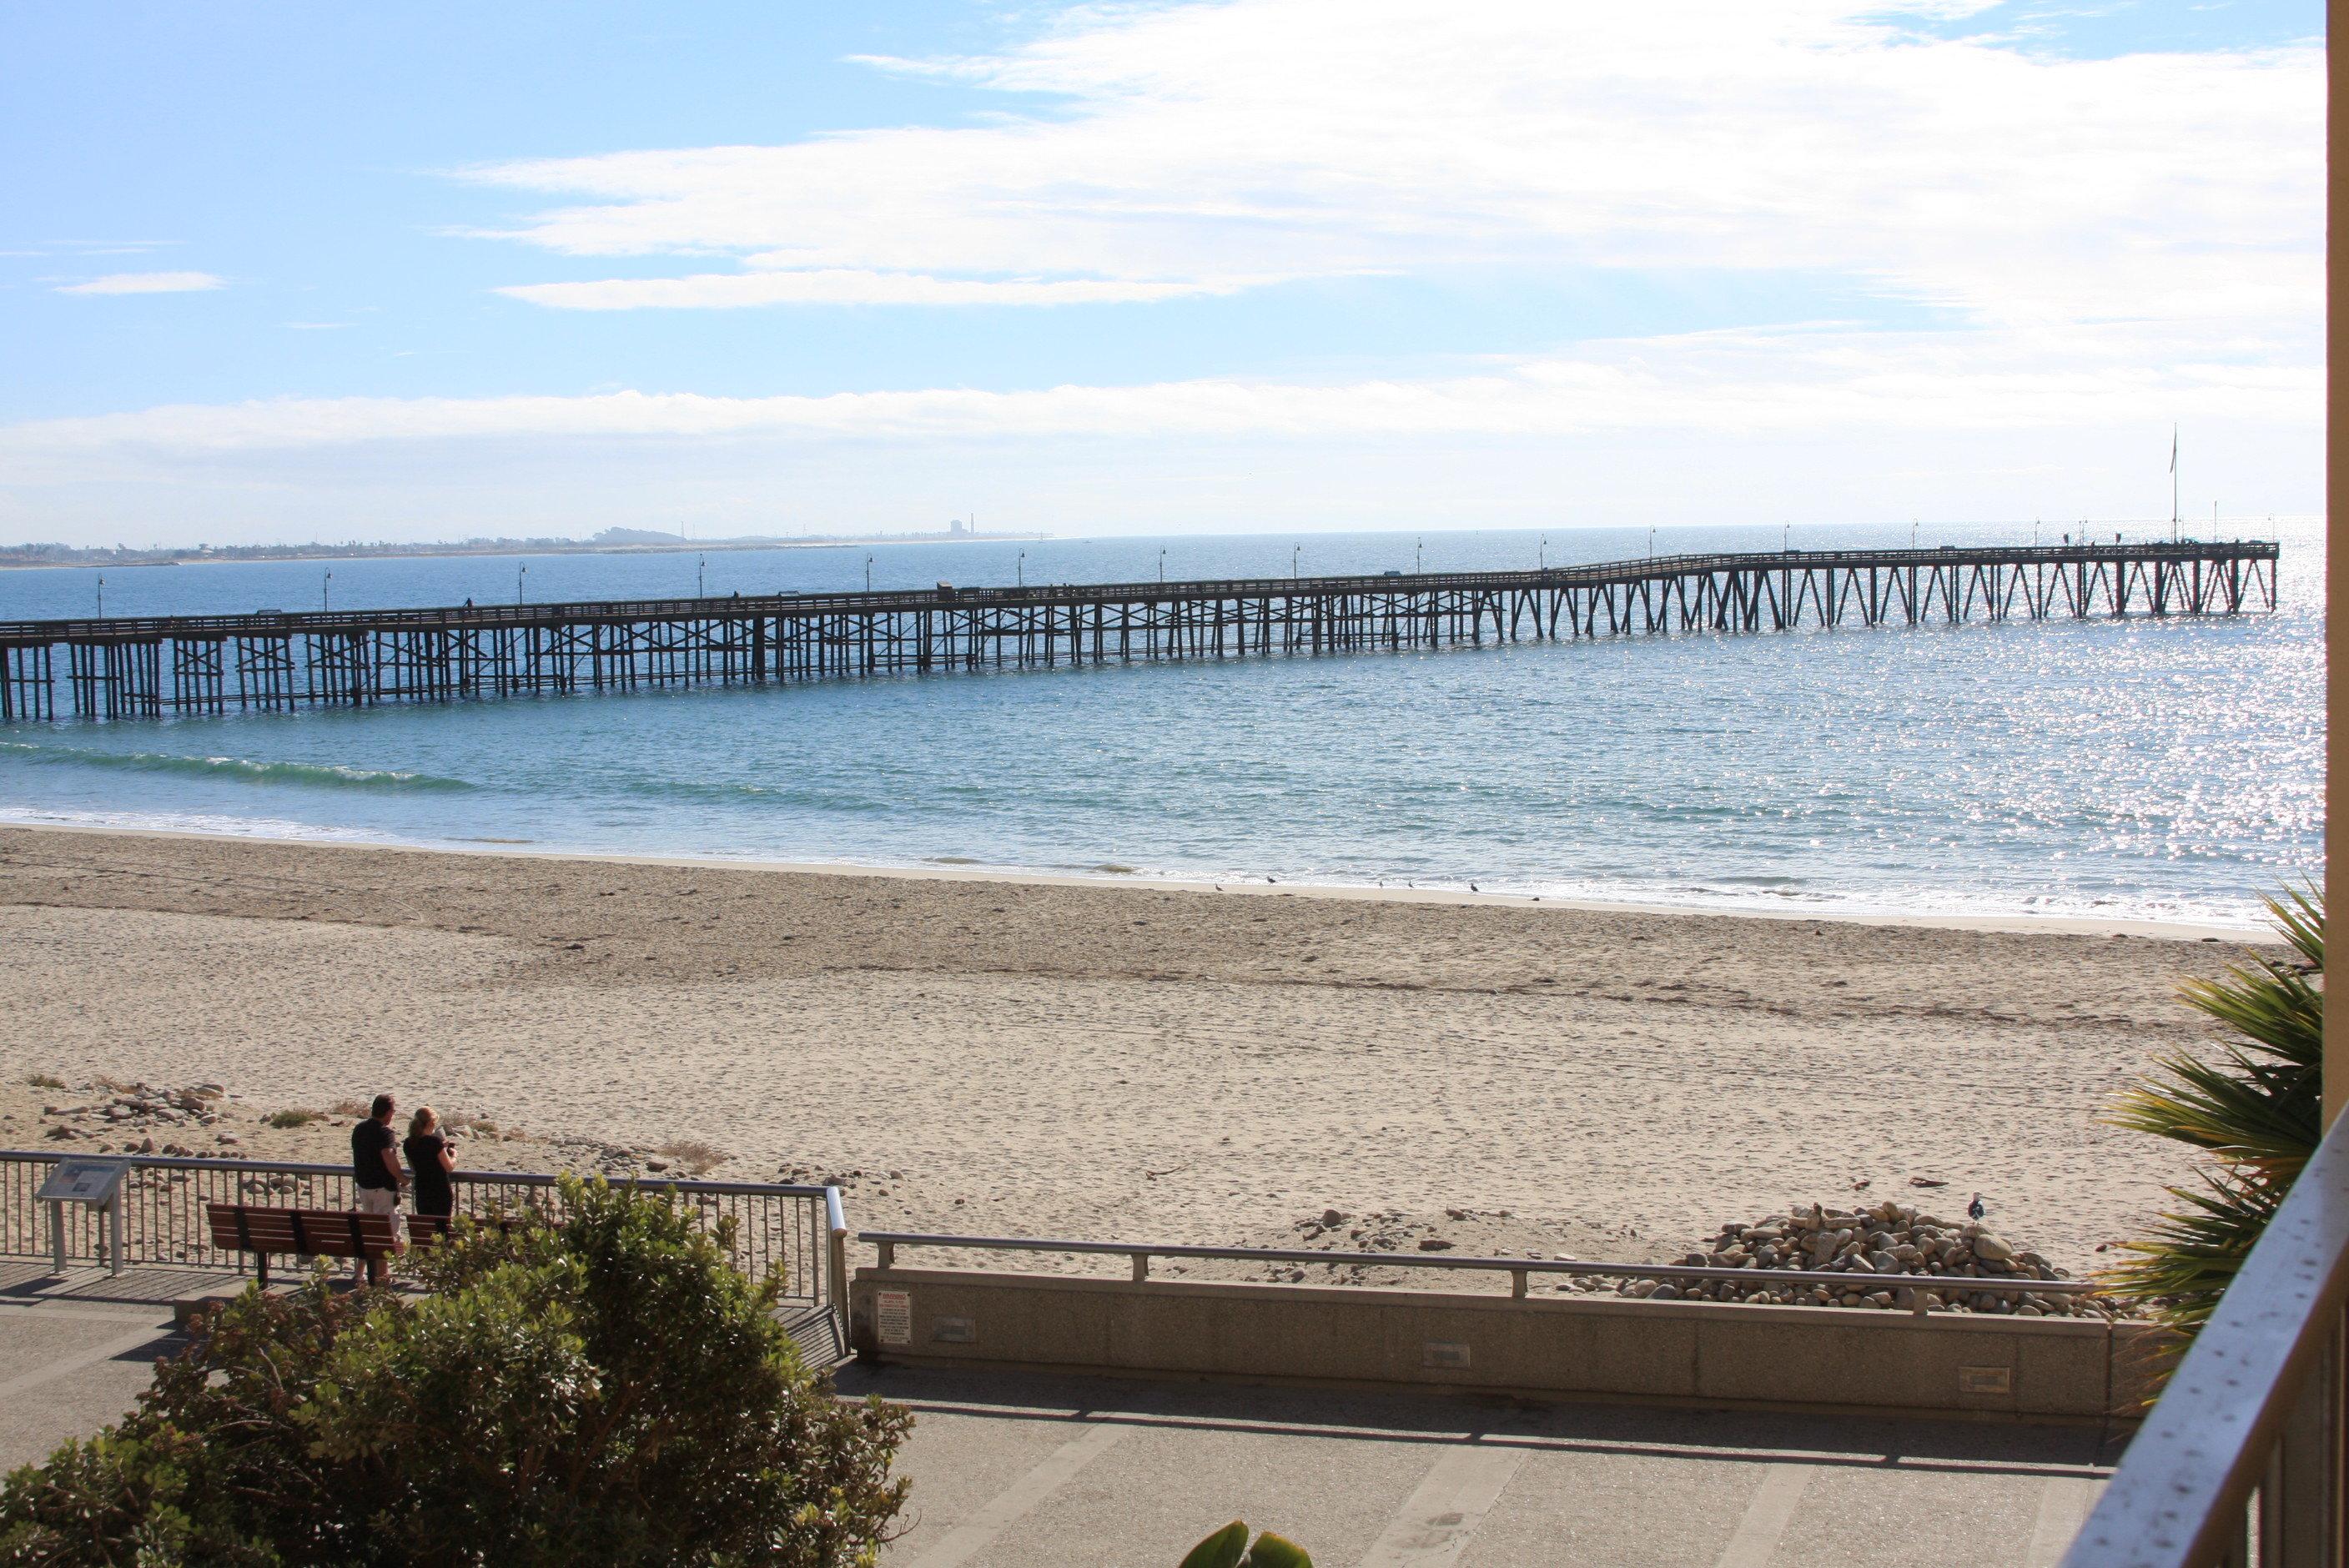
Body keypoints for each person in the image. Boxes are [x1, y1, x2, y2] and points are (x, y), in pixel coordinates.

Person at [350, 1093, 408, 1285]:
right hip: (382, 1188)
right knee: (386, 1233)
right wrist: (401, 1177)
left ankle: (359, 1274)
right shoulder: (385, 1133)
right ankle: (382, 1277)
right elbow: (388, 1155)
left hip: (364, 1187)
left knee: (369, 1231)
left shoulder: (359, 1129)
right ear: (388, 1112)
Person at [404, 1106, 456, 1229]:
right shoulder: (434, 1142)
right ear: (431, 1123)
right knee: (442, 1229)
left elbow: (413, 1168)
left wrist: (440, 1148)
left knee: (427, 1229)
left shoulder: (409, 1142)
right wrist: (454, 1156)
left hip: (422, 1191)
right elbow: (449, 1167)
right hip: (440, 1191)